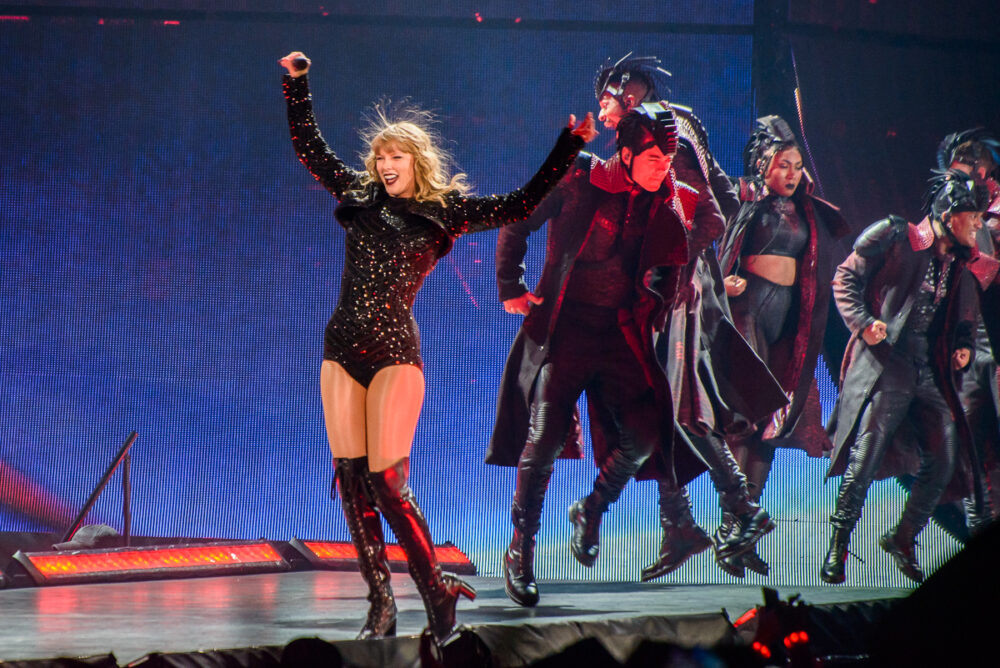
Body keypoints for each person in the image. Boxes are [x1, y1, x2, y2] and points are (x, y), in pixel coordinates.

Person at [279, 52, 594, 642]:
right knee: (351, 481)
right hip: (341, 346)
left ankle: (437, 593)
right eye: (380, 156)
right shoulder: (359, 193)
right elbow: (312, 151)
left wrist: (568, 146)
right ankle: (380, 603)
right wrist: (298, 85)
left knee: (386, 481)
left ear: (416, 161)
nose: (385, 164)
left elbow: (521, 204)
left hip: (394, 352)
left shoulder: (444, 211)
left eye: (396, 156)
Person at [486, 103, 723, 607]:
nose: (663, 167)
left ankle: (591, 509)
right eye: (655, 158)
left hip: (619, 335)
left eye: (669, 158)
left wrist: (664, 300)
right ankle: (520, 550)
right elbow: (517, 219)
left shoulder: (668, 199)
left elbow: (698, 234)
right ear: (628, 153)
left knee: (646, 436)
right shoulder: (579, 178)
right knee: (543, 441)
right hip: (565, 332)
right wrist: (511, 285)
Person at [591, 54, 785, 581]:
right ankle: (679, 524)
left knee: (679, 403)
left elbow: (709, 209)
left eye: (607, 100)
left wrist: (682, 268)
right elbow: (721, 194)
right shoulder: (669, 124)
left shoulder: (662, 128)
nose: (602, 112)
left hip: (676, 287)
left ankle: (742, 509)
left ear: (629, 93)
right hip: (670, 285)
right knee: (659, 401)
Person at [821, 170, 988, 584]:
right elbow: (844, 277)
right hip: (890, 360)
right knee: (866, 455)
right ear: (949, 214)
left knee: (945, 460)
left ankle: (903, 537)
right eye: (972, 215)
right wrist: (863, 322)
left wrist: (963, 346)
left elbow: (962, 317)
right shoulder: (899, 236)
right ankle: (839, 543)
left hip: (929, 367)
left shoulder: (961, 263)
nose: (978, 224)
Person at [718, 116, 850, 576]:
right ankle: (731, 524)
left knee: (773, 424)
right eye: (782, 165)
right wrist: (720, 282)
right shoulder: (744, 197)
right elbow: (708, 244)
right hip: (747, 311)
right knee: (746, 418)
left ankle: (741, 529)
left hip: (788, 322)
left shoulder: (805, 209)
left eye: (796, 165)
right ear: (763, 164)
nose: (791, 174)